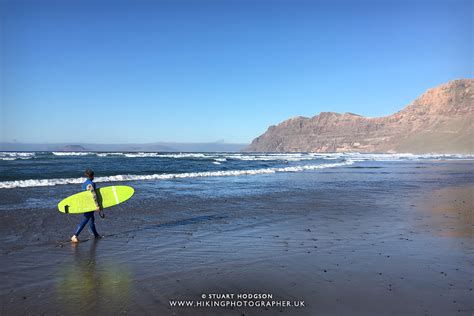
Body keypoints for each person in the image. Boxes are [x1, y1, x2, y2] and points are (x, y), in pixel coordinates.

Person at [71, 169, 102, 243]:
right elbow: (93, 195)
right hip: (90, 205)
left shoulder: (84, 184)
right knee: (85, 219)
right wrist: (97, 205)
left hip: (86, 204)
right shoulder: (91, 184)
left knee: (91, 219)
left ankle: (96, 235)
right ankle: (75, 235)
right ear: (92, 176)